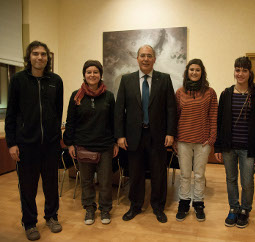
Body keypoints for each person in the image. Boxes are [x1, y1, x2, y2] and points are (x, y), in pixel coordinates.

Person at [5, 41, 63, 241]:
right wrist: (12, 143)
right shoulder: (18, 80)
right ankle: (29, 223)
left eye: (43, 54)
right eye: (35, 54)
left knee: (51, 185)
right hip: (25, 145)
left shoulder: (56, 80)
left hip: (50, 145)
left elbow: (57, 112)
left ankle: (52, 216)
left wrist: (56, 138)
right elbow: (11, 114)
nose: (40, 57)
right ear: (29, 57)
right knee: (28, 187)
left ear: (48, 57)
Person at [115, 44, 177, 223]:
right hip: (134, 136)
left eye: (149, 56)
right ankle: (135, 206)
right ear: (137, 58)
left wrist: (170, 133)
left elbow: (171, 109)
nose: (145, 59)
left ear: (154, 59)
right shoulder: (126, 80)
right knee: (135, 173)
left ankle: (158, 207)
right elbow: (120, 110)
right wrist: (120, 135)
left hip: (157, 135)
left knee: (159, 173)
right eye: (142, 55)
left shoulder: (164, 79)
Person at [214, 56, 255, 228]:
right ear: (234, 71)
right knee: (230, 179)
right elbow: (219, 122)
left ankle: (245, 210)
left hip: (248, 149)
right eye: (238, 70)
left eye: (244, 70)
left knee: (247, 182)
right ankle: (233, 208)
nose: (240, 73)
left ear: (250, 72)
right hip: (229, 147)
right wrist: (218, 146)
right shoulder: (226, 94)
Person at [63, 60, 118, 225]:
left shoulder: (109, 96)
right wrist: (70, 144)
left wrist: (115, 142)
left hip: (105, 146)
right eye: (89, 72)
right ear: (84, 75)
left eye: (95, 72)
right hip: (83, 146)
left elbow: (114, 121)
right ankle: (89, 208)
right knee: (86, 181)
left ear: (100, 75)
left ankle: (105, 209)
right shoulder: (76, 96)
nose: (92, 75)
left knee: (105, 181)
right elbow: (70, 122)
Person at [173, 59, 218, 222]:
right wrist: (174, 140)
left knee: (199, 175)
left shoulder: (210, 92)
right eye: (191, 69)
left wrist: (212, 138)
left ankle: (198, 203)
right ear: (187, 72)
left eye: (197, 70)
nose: (194, 72)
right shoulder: (179, 92)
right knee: (185, 175)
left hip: (203, 142)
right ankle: (183, 204)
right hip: (183, 141)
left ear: (202, 72)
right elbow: (175, 116)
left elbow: (213, 116)